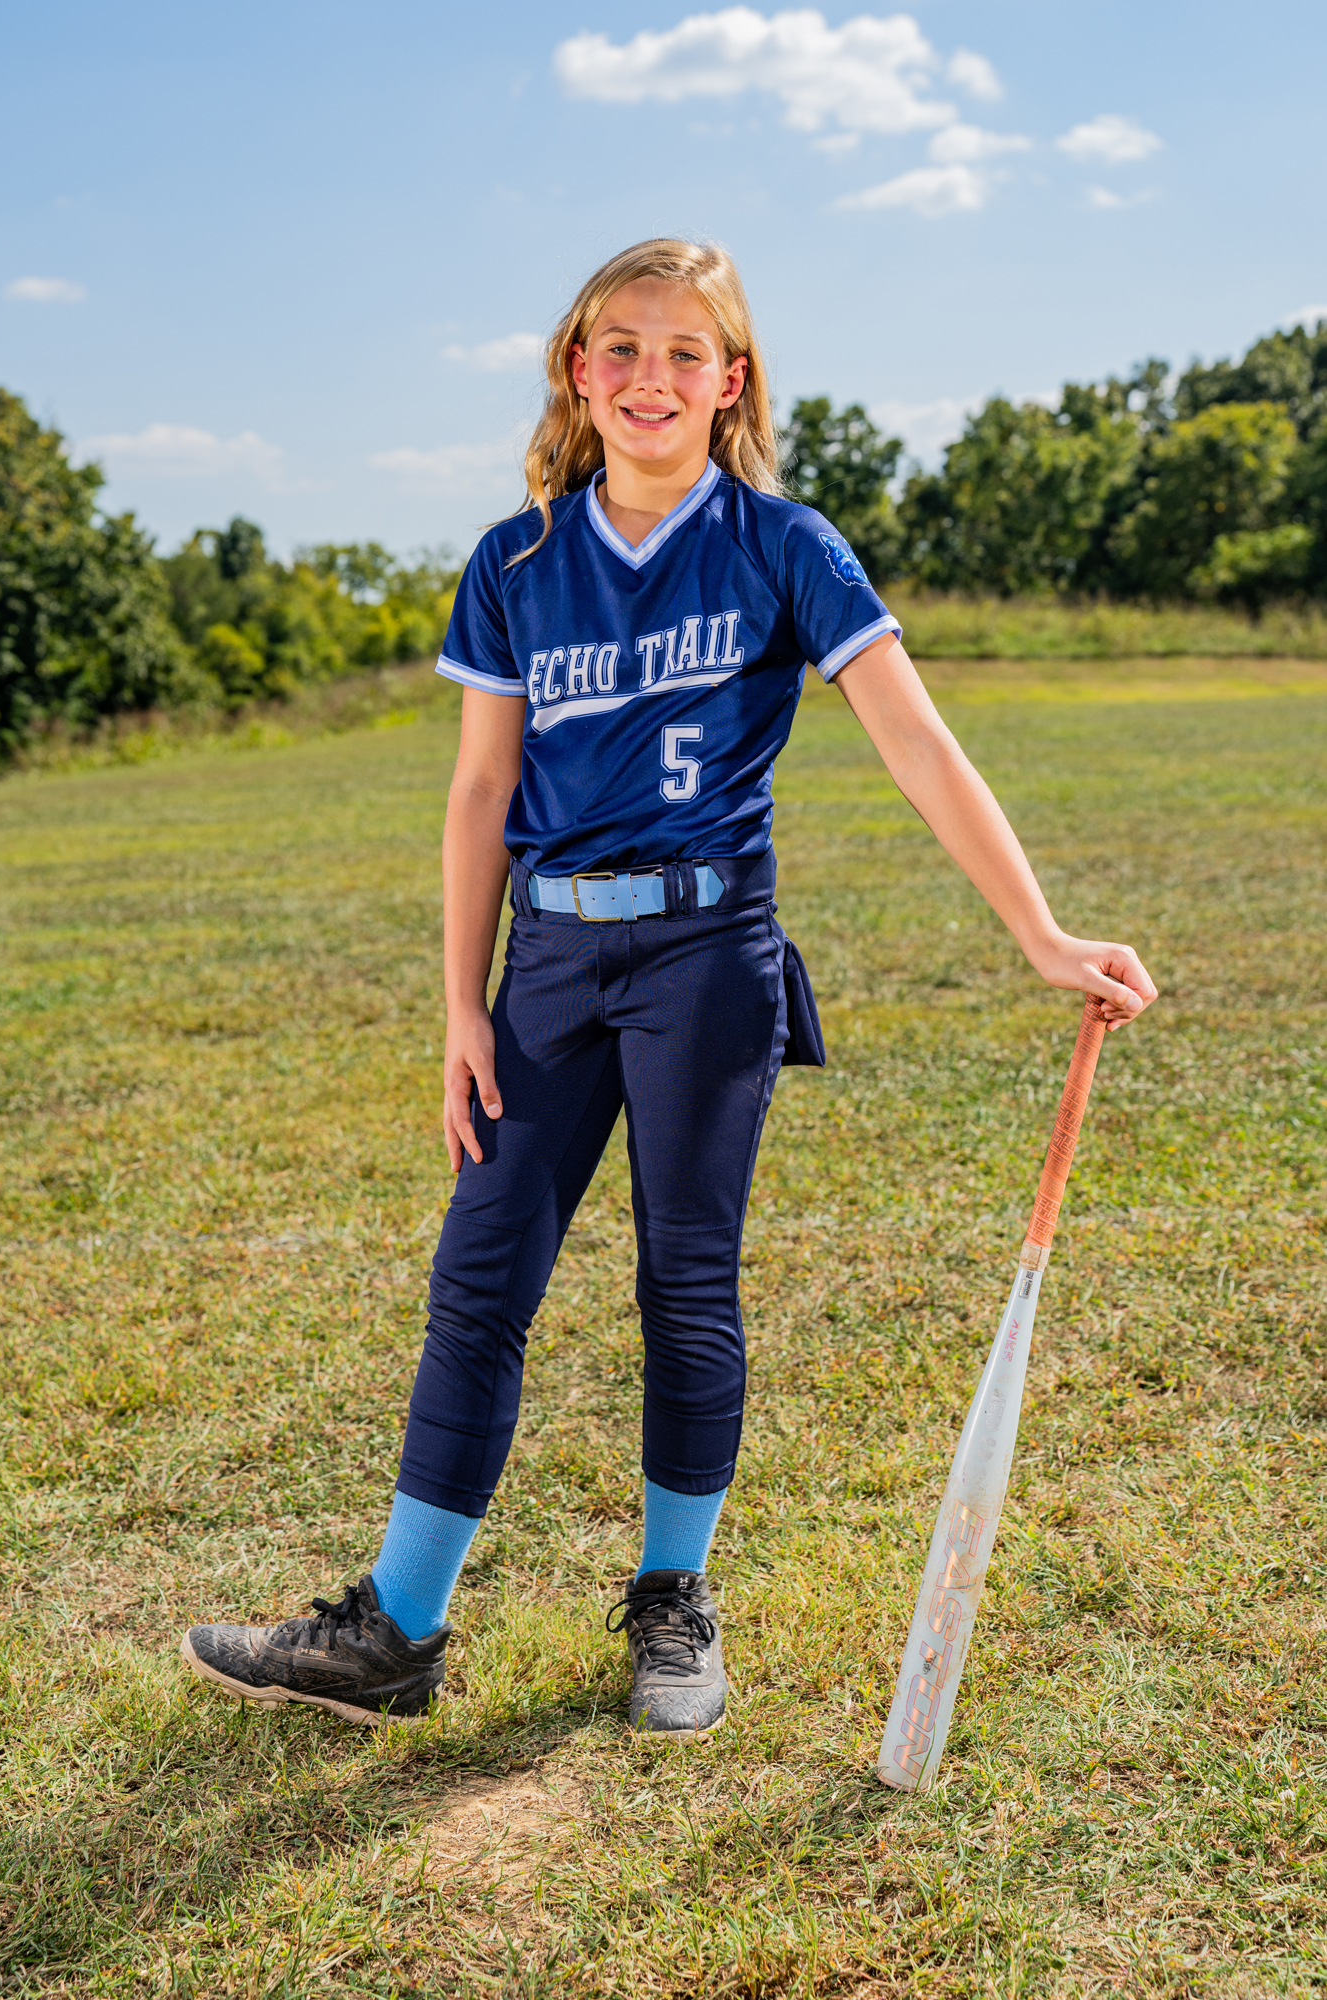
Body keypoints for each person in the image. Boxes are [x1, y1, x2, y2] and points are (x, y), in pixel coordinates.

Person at [180, 237, 1156, 1736]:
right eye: (621, 348)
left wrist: (1037, 932)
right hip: (550, 961)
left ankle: (671, 1599)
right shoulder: (515, 562)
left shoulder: (783, 545)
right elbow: (479, 792)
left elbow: (915, 741)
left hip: (708, 954)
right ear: (578, 372)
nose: (651, 376)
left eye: (684, 351)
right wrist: (460, 1003)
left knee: (683, 1278)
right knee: (480, 1274)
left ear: (730, 381)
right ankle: (396, 1628)